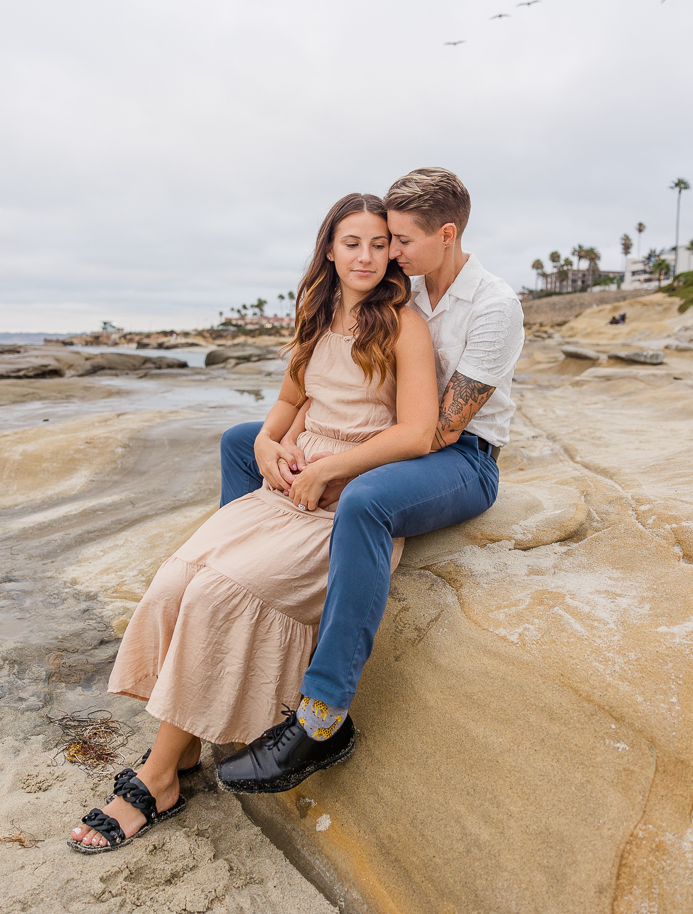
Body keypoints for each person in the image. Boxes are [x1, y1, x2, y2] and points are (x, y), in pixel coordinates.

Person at [68, 192, 439, 852]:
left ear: (392, 253)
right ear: (328, 248)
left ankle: (157, 779)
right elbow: (291, 398)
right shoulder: (315, 310)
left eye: (379, 244)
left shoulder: (403, 323)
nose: (366, 255)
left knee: (220, 594)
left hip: (347, 503)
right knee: (178, 578)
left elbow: (415, 432)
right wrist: (268, 445)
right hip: (290, 487)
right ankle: (180, 753)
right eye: (351, 242)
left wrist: (333, 469)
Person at [216, 167, 525, 794]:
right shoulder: (401, 295)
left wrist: (340, 464)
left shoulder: (494, 306)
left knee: (364, 501)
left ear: (445, 235)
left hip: (461, 457)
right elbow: (335, 381)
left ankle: (322, 717)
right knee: (238, 444)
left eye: (400, 241)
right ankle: (246, 572)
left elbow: (435, 430)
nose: (389, 253)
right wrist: (283, 440)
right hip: (391, 436)